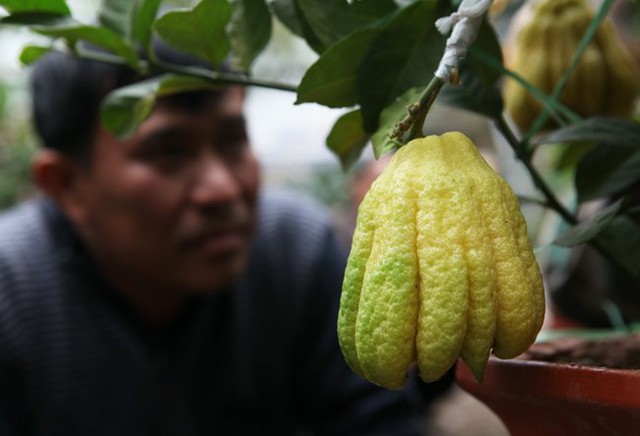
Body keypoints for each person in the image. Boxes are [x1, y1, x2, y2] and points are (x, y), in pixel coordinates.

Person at [0, 46, 427, 435]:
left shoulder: (295, 252)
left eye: (233, 140)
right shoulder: (12, 301)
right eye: (169, 153)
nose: (222, 189)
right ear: (67, 185)